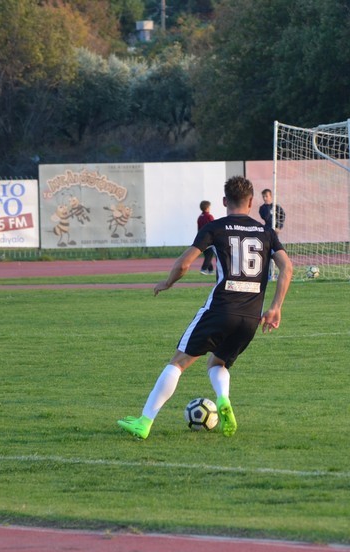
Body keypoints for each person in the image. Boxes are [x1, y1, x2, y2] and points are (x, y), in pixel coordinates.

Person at [118, 176, 293, 440]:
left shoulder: (215, 228)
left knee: (178, 362)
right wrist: (276, 307)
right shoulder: (266, 232)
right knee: (217, 362)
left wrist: (167, 282)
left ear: (224, 201)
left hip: (220, 309)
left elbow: (184, 264)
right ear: (251, 202)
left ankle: (144, 422)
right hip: (250, 317)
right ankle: (223, 399)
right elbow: (287, 267)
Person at [259, 189, 285, 280]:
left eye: (266, 196)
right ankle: (268, 273)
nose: (265, 198)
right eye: (263, 197)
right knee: (267, 252)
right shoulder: (263, 208)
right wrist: (270, 210)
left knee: (277, 252)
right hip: (267, 232)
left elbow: (282, 216)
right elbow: (266, 217)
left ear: (271, 196)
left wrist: (279, 227)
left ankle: (275, 272)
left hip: (275, 233)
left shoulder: (277, 207)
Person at [197, 200, 216, 274]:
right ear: (207, 208)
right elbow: (213, 227)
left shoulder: (200, 217)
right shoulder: (209, 216)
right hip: (209, 239)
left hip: (202, 238)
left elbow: (199, 228)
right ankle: (203, 269)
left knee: (207, 254)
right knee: (209, 254)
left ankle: (210, 270)